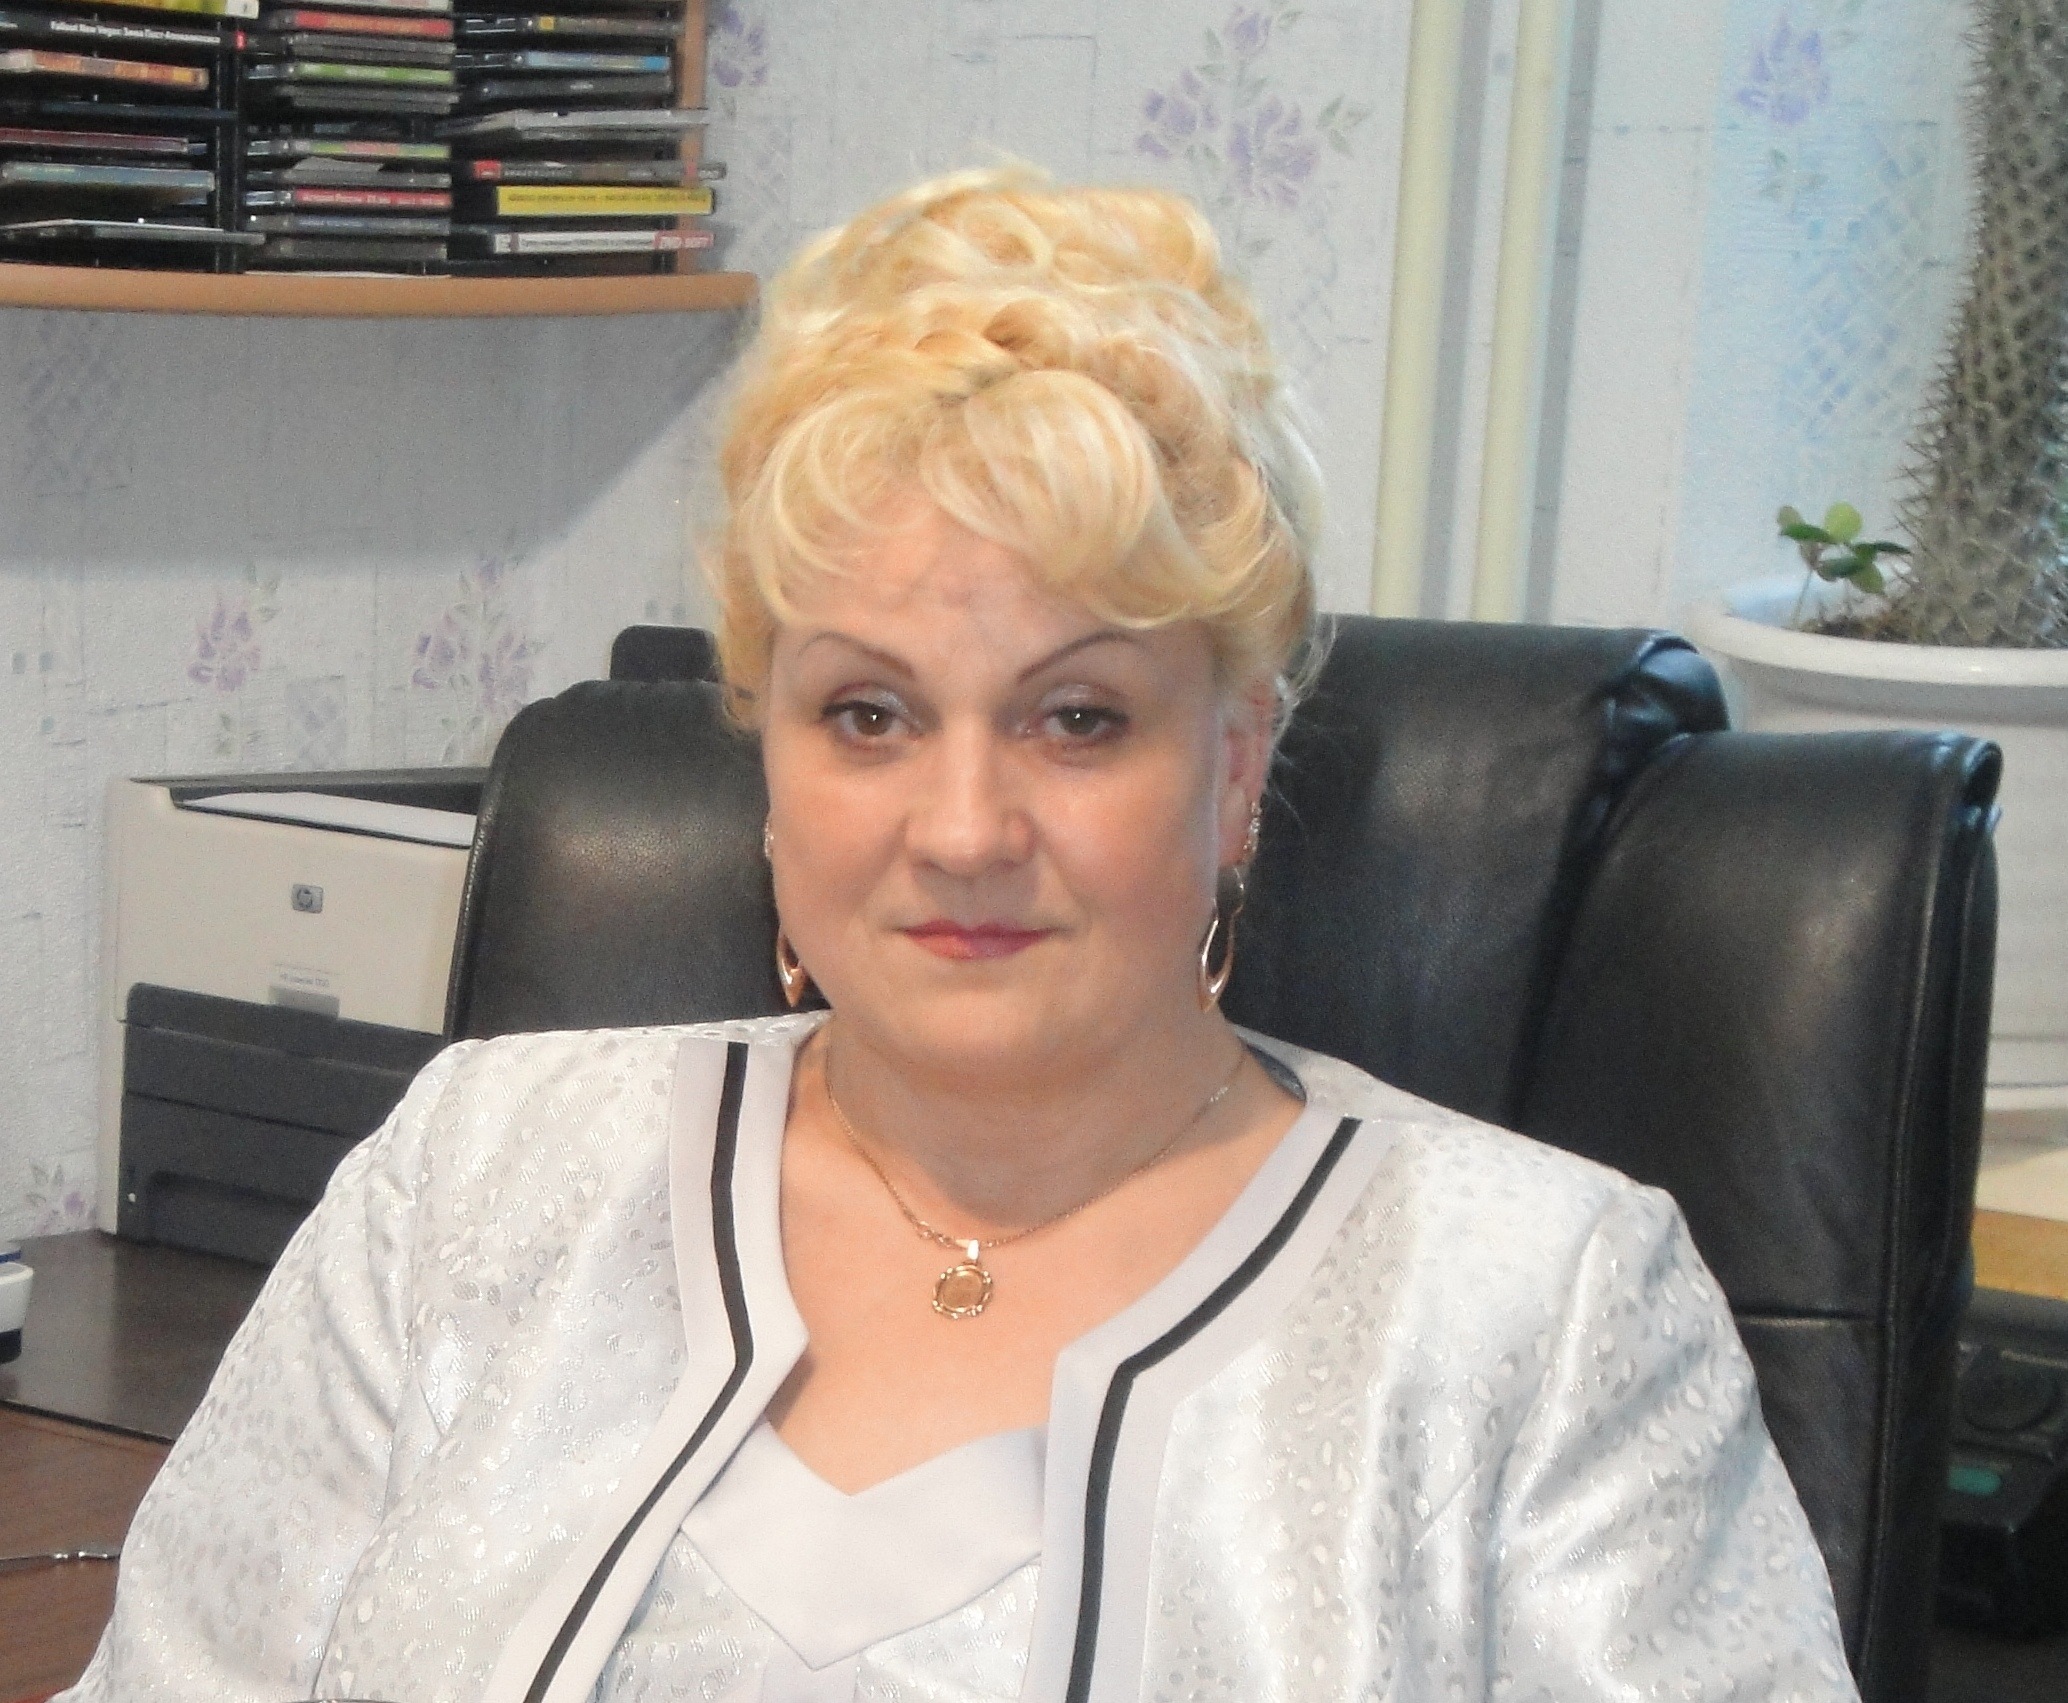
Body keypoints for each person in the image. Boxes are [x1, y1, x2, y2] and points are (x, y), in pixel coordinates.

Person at [62, 168, 1857, 1703]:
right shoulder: (474, 1180)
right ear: (767, 758)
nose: (965, 828)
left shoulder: (1540, 1313)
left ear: (1236, 767)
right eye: (869, 714)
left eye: (1079, 719)